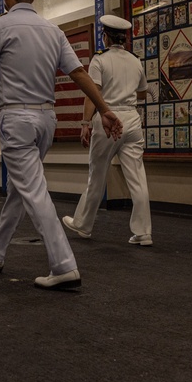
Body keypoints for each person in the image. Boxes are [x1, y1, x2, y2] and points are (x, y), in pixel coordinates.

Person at [0, 0, 122, 290]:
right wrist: (105, 109)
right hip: (46, 121)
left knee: (33, 190)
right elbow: (79, 72)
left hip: (17, 120)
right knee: (21, 186)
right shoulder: (53, 31)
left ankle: (64, 264)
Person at [62, 15, 152, 246]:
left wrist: (85, 123)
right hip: (132, 118)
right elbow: (141, 93)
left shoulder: (99, 60)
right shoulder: (135, 60)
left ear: (105, 36)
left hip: (108, 118)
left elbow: (94, 94)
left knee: (97, 174)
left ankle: (83, 224)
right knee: (137, 177)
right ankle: (143, 232)